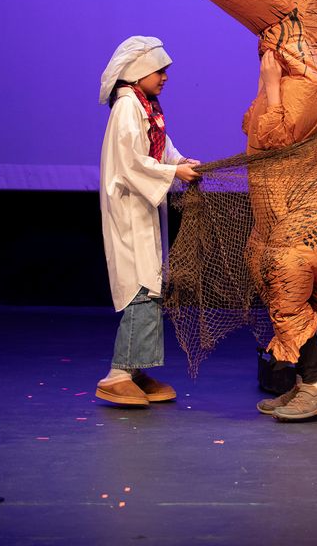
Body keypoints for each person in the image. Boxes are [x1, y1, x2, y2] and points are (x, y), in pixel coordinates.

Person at [96, 36, 199, 407]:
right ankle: (118, 374)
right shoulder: (127, 106)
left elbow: (159, 147)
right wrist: (173, 173)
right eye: (159, 70)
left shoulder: (145, 105)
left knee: (152, 287)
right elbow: (131, 162)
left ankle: (136, 371)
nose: (165, 77)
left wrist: (180, 162)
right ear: (139, 72)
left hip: (143, 210)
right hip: (129, 211)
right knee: (141, 289)